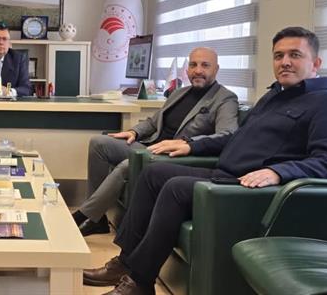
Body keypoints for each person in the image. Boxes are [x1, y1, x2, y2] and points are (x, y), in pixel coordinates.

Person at [83, 27, 327, 295]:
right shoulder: (273, 98)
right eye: (279, 56)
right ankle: (125, 263)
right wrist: (191, 145)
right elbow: (234, 138)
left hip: (256, 189)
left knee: (176, 188)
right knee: (152, 173)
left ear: (316, 63)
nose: (285, 62)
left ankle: (139, 282)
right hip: (226, 175)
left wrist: (278, 172)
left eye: (295, 55)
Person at [73, 47, 238, 236]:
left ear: (216, 69)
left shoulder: (225, 98)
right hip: (150, 146)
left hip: (174, 156)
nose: (198, 70)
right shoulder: (179, 93)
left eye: (205, 65)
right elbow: (153, 122)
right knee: (99, 143)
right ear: (187, 69)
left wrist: (188, 143)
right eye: (193, 65)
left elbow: (227, 134)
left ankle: (83, 215)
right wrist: (134, 132)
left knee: (128, 164)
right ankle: (99, 219)